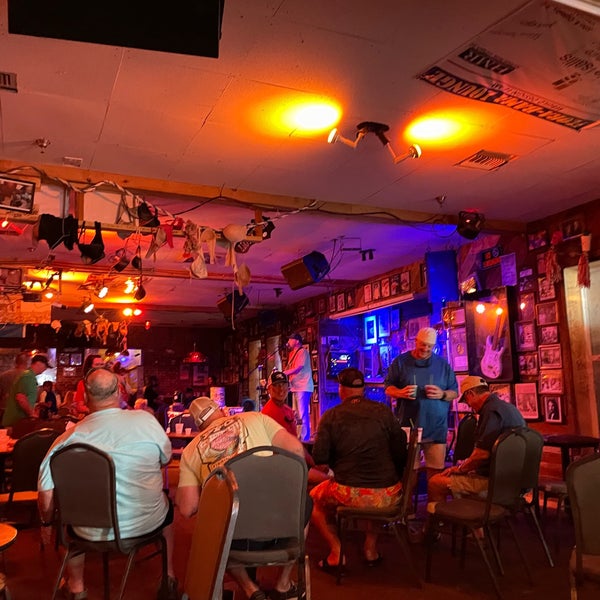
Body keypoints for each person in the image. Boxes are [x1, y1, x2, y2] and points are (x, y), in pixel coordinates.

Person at [38, 366, 178, 600]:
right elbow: (166, 459)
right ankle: (169, 578)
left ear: (84, 397)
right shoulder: (146, 421)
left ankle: (76, 587)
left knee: (66, 520)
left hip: (86, 531)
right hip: (144, 524)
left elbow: (46, 497)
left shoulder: (66, 439)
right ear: (120, 393)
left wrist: (45, 522)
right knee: (167, 508)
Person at [176, 396, 306, 600]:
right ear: (221, 410)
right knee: (306, 503)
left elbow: (186, 508)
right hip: (281, 529)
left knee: (212, 523)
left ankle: (250, 589)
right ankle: (283, 583)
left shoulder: (190, 451)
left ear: (198, 425)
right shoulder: (256, 418)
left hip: (233, 537)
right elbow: (297, 450)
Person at [310, 368, 407, 570]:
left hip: (350, 493)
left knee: (313, 500)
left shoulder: (331, 416)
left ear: (341, 389)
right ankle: (370, 549)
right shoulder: (384, 412)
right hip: (387, 494)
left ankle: (337, 552)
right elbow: (400, 450)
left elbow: (320, 458)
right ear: (362, 389)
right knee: (374, 497)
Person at [427, 375, 525, 506]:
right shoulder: (510, 408)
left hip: (496, 483)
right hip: (517, 480)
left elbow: (482, 454)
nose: (468, 405)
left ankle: (444, 524)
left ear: (470, 394)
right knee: (466, 474)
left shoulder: (490, 412)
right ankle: (474, 523)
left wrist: (461, 469)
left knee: (435, 482)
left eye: (466, 401)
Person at [384, 327, 458, 481]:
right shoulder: (400, 362)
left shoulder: (443, 365)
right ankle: (407, 505)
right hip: (409, 425)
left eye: (429, 346)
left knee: (436, 475)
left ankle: (433, 506)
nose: (425, 349)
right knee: (409, 473)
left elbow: (454, 392)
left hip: (436, 426)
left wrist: (442, 394)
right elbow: (388, 388)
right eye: (422, 344)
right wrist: (401, 392)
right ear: (416, 341)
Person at [262, 371, 331, 486]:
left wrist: (313, 464)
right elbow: (291, 447)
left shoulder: (286, 410)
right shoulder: (270, 412)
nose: (281, 389)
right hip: (285, 466)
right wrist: (312, 466)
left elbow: (295, 442)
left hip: (293, 462)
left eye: (283, 385)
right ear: (269, 389)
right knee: (329, 481)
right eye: (276, 386)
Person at [2, 354, 51, 427]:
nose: (45, 369)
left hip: (17, 421)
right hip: (16, 422)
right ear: (38, 363)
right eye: (45, 366)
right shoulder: (28, 376)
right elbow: (20, 398)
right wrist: (32, 414)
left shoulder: (28, 375)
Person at [283, 332, 314, 442]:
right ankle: (298, 436)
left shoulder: (302, 352)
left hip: (303, 386)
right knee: (296, 414)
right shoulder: (292, 353)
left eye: (290, 340)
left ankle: (305, 438)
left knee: (302, 413)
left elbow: (298, 367)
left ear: (296, 341)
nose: (288, 342)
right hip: (295, 387)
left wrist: (285, 373)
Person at [72, 354, 104, 418]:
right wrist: (94, 411)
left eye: (102, 364)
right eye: (97, 365)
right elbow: (79, 406)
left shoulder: (110, 381)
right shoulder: (83, 383)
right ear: (90, 367)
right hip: (92, 418)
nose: (100, 367)